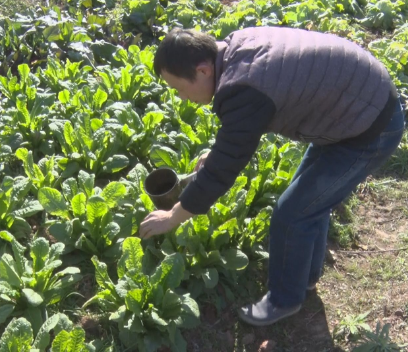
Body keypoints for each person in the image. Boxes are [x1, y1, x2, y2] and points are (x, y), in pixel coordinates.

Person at [139, 26, 405, 326]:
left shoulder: (243, 88)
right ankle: (304, 277)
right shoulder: (236, 47)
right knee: (308, 203)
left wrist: (173, 216)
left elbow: (223, 169)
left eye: (179, 89)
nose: (182, 98)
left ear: (202, 70)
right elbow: (241, 134)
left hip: (369, 128)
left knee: (292, 214)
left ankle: (285, 300)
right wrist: (219, 153)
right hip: (355, 106)